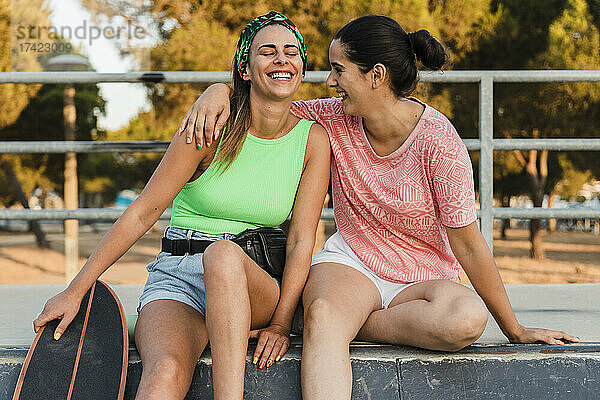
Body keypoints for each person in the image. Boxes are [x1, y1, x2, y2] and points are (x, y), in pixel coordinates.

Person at [177, 14, 578, 399]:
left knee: (466, 320)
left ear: (376, 76)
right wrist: (219, 91)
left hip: (420, 277)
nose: (330, 81)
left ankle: (359, 322)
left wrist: (514, 328)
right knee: (326, 319)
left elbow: (469, 246)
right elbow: (268, 100)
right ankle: (329, 315)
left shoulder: (439, 142)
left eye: (339, 70)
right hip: (350, 264)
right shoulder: (333, 116)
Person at [32, 12, 330, 400]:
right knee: (166, 371)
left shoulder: (312, 140)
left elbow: (300, 241)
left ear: (302, 68)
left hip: (252, 281)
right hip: (179, 276)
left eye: (292, 52)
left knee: (223, 255)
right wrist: (75, 290)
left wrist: (280, 323)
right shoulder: (209, 124)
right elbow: (145, 209)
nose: (281, 60)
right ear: (244, 67)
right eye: (267, 51)